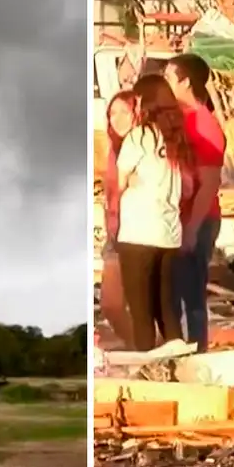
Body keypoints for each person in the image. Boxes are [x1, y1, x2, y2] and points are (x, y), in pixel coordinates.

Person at [114, 75, 195, 351]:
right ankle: (180, 363)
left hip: (138, 233)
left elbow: (120, 181)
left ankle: (146, 372)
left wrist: (132, 182)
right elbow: (187, 187)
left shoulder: (139, 136)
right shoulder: (177, 138)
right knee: (167, 310)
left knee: (141, 314)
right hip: (169, 235)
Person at [163, 53, 226, 353]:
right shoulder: (177, 118)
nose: (164, 84)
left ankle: (197, 353)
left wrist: (191, 227)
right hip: (177, 218)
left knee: (191, 295)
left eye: (168, 78)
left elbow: (209, 183)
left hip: (198, 219)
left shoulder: (204, 124)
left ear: (185, 81)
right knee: (172, 293)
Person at [99, 89, 137, 350]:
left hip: (141, 235)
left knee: (141, 305)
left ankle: (146, 353)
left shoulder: (145, 146)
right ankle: (138, 348)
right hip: (116, 236)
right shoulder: (113, 149)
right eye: (113, 112)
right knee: (111, 305)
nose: (117, 118)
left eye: (125, 111)